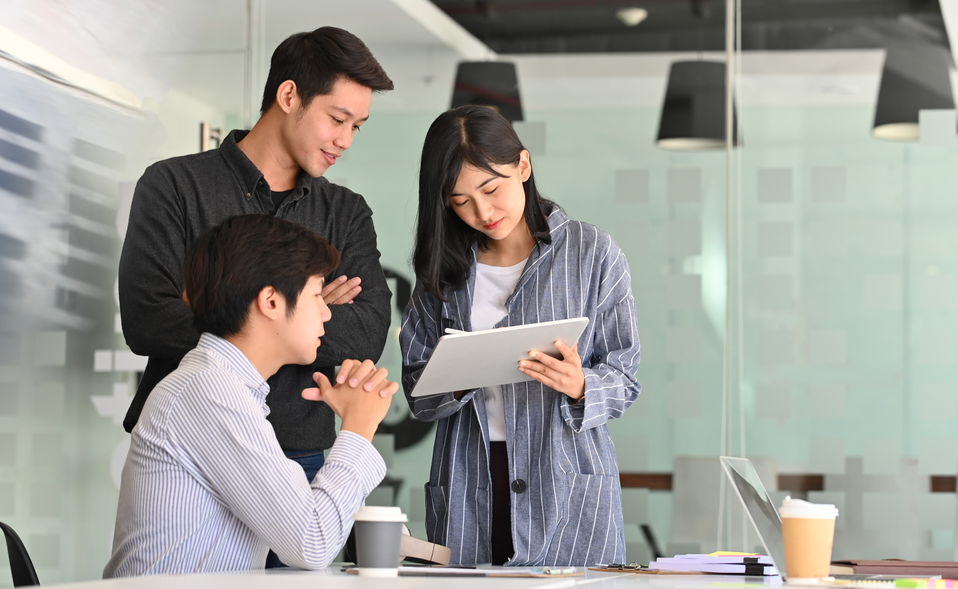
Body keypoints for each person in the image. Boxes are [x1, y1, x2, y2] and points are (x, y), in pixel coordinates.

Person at [118, 27, 394, 483]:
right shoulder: (174, 187)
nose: (346, 140)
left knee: (308, 551)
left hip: (298, 454)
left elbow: (366, 334)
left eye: (356, 127)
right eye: (337, 119)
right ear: (289, 95)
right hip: (188, 446)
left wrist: (216, 310)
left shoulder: (345, 212)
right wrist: (309, 313)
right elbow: (148, 321)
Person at [400, 105, 642, 567]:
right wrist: (458, 374)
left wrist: (581, 385)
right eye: (460, 201)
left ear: (523, 167)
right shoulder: (443, 271)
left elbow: (625, 379)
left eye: (491, 189)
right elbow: (417, 390)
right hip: (471, 478)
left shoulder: (593, 253)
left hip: (565, 480)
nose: (482, 211)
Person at [104, 214, 398, 577]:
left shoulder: (228, 388)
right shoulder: (209, 393)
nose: (327, 313)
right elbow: (313, 541)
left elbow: (313, 526)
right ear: (271, 302)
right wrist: (358, 426)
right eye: (317, 295)